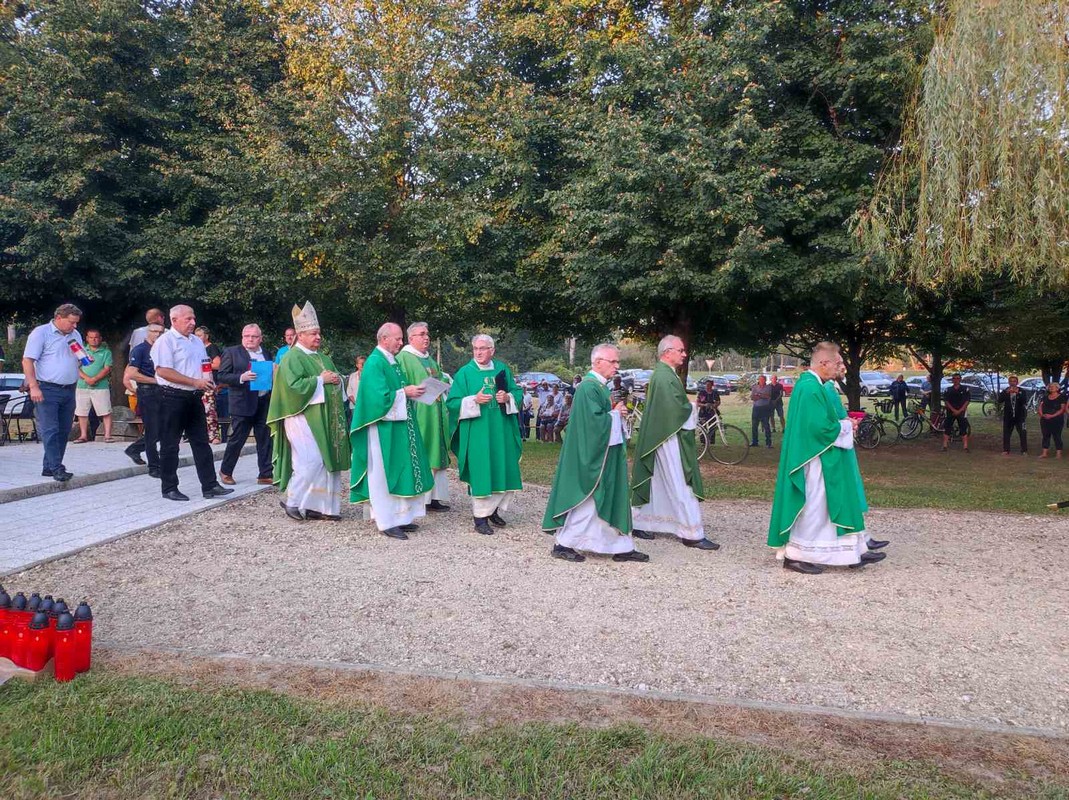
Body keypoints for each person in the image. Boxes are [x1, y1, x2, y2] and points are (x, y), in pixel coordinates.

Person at [767, 342, 884, 574]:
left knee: (822, 508)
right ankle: (796, 555)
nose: (841, 366)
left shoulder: (815, 385)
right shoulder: (810, 388)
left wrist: (843, 425)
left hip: (818, 455)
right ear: (823, 363)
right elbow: (818, 429)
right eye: (838, 362)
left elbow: (822, 423)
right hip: (812, 458)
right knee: (814, 506)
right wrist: (845, 426)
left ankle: (837, 551)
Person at [544, 344, 646, 563]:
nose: (617, 366)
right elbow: (592, 424)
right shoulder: (588, 388)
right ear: (598, 362)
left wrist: (615, 413)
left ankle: (621, 546)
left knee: (607, 497)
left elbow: (601, 417)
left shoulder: (600, 386)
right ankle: (564, 543)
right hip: (590, 456)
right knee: (588, 502)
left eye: (618, 362)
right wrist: (615, 415)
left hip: (603, 453)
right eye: (613, 362)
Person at [630, 335, 717, 550]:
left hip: (660, 436)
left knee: (657, 480)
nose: (684, 354)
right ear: (667, 352)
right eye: (681, 350)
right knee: (680, 482)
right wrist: (692, 407)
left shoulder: (664, 375)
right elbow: (675, 410)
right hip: (668, 437)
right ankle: (691, 532)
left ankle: (639, 522)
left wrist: (686, 405)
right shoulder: (665, 377)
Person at [268, 303, 351, 520]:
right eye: (313, 333)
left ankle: (321, 507)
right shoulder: (292, 357)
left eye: (319, 333)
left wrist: (337, 380)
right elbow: (292, 387)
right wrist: (320, 380)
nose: (318, 337)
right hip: (301, 417)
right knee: (310, 460)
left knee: (326, 460)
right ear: (300, 335)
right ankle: (292, 501)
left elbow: (337, 378)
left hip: (325, 418)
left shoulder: (323, 358)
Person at [350, 322, 431, 538]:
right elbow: (378, 398)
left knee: (399, 468)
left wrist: (411, 392)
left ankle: (400, 517)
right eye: (397, 338)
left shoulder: (391, 360)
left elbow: (395, 391)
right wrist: (405, 391)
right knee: (383, 473)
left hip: (397, 425)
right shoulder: (375, 362)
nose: (401, 342)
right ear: (384, 338)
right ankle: (386, 521)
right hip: (382, 428)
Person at [151, 305, 235, 502]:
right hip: (171, 396)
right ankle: (169, 487)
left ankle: (210, 484)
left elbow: (204, 366)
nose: (193, 323)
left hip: (195, 395)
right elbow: (163, 371)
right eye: (188, 319)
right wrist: (194, 382)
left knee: (201, 442)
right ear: (174, 320)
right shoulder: (166, 341)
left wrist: (207, 382)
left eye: (193, 318)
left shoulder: (197, 341)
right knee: (170, 444)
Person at [446, 334, 523, 535]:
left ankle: (494, 510)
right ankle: (480, 518)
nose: (478, 352)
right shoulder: (464, 373)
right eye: (475, 349)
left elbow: (518, 392)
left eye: (483, 348)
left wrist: (508, 397)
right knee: (482, 470)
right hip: (478, 432)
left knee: (502, 467)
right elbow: (452, 403)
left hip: (501, 430)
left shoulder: (502, 369)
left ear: (492, 350)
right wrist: (473, 400)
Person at [22, 304, 84, 482]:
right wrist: (33, 386)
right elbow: (27, 360)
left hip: (69, 388)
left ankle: (49, 467)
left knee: (64, 430)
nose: (75, 326)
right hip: (47, 388)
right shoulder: (41, 333)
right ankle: (57, 468)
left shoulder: (75, 335)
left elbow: (78, 357)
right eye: (71, 322)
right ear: (59, 318)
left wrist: (83, 359)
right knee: (51, 429)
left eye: (76, 323)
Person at [397, 322, 452, 512]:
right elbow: (400, 381)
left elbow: (440, 378)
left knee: (437, 452)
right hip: (419, 412)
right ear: (411, 338)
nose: (426, 337)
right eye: (421, 334)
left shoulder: (429, 359)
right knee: (425, 452)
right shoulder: (404, 358)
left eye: (427, 334)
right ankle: (421, 498)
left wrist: (442, 381)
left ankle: (434, 497)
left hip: (435, 410)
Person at [217, 324, 275, 486]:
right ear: (242, 337)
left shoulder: (266, 353)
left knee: (265, 439)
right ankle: (226, 471)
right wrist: (241, 377)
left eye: (254, 336)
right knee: (237, 439)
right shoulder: (232, 352)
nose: (250, 339)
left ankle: (265, 473)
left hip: (263, 401)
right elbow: (222, 376)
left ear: (260, 338)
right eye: (247, 336)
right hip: (242, 403)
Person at [123, 322, 164, 475]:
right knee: (153, 429)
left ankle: (134, 448)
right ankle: (154, 467)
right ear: (148, 332)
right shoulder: (139, 350)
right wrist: (154, 380)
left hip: (162, 392)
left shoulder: (162, 349)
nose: (158, 335)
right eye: (154, 331)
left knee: (163, 429)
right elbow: (131, 373)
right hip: (147, 392)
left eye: (161, 332)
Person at [73, 329, 113, 443]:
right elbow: (75, 367)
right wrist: (87, 378)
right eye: (91, 337)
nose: (94, 340)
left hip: (101, 386)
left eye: (96, 337)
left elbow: (107, 368)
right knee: (82, 412)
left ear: (100, 338)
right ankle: (83, 435)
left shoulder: (106, 352)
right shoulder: (81, 351)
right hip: (82, 386)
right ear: (87, 338)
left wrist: (94, 379)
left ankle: (107, 436)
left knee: (105, 411)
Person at [194, 326, 223, 444]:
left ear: (206, 336)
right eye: (196, 336)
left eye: (200, 335)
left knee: (210, 409)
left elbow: (217, 364)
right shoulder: (193, 347)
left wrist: (203, 365)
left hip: (209, 381)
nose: (197, 338)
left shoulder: (211, 348)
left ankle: (213, 435)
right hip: (194, 381)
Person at [999, 375, 1029, 456]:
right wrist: (1006, 393)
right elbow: (999, 400)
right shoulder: (1006, 390)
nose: (1012, 383)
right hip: (1008, 416)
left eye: (1014, 381)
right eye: (1011, 381)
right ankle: (1006, 450)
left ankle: (1024, 450)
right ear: (1009, 382)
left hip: (1020, 416)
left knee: (1022, 432)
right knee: (1006, 433)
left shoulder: (1022, 391)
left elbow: (1024, 401)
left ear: (1017, 382)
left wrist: (1017, 393)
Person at [942, 373, 971, 452]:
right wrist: (953, 410)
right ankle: (945, 446)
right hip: (950, 412)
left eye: (958, 378)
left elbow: (967, 401)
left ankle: (965, 447)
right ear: (952, 380)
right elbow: (946, 401)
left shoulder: (965, 389)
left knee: (963, 429)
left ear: (960, 379)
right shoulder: (948, 389)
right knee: (947, 428)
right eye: (954, 378)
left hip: (961, 412)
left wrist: (960, 410)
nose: (956, 380)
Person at [1037, 383, 1066, 459]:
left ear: (1057, 388)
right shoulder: (1045, 397)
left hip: (1057, 419)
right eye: (1050, 387)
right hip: (1045, 419)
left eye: (1053, 387)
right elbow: (1040, 406)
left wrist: (1052, 416)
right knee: (1045, 436)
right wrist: (1042, 415)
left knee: (1057, 436)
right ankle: (1044, 453)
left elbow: (1062, 409)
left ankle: (1058, 454)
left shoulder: (1062, 397)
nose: (1051, 388)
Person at [750, 375, 772, 448]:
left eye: (763, 380)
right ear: (758, 380)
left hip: (765, 408)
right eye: (760, 380)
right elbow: (752, 397)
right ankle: (754, 441)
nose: (761, 381)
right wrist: (760, 396)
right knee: (754, 426)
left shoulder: (768, 387)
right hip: (756, 408)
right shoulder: (754, 387)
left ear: (765, 380)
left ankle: (768, 443)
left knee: (766, 425)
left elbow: (768, 396)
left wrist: (759, 394)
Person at [345, 355, 366, 421]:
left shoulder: (370, 376)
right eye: (360, 363)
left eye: (364, 363)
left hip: (366, 406)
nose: (362, 365)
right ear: (357, 365)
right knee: (356, 425)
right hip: (354, 406)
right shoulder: (352, 376)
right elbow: (349, 392)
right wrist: (356, 403)